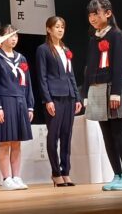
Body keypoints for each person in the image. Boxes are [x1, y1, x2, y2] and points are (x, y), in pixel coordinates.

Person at [82, 0, 122, 191]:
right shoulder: (93, 38)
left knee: (118, 131)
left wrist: (115, 93)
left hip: (114, 87)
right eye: (90, 14)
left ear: (108, 13)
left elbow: (119, 65)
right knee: (106, 134)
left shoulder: (116, 35)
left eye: (96, 13)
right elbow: (89, 67)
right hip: (96, 88)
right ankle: (117, 174)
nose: (92, 17)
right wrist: (86, 93)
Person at [36, 16, 82, 187]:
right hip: (54, 97)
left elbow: (71, 75)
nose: (60, 30)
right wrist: (47, 100)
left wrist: (77, 97)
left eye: (62, 26)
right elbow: (42, 77)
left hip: (69, 96)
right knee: (53, 135)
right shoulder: (43, 49)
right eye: (57, 27)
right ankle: (56, 173)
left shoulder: (65, 49)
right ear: (48, 29)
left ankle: (66, 172)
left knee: (66, 135)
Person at [0, 25, 34, 190]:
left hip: (20, 102)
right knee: (5, 142)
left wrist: (30, 106)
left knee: (17, 143)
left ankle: (17, 177)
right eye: (9, 35)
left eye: (15, 36)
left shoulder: (21, 58)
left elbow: (27, 84)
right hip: (4, 102)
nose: (13, 38)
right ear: (0, 37)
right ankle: (6, 179)